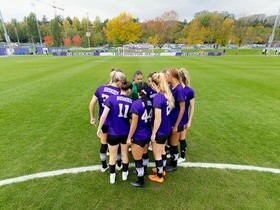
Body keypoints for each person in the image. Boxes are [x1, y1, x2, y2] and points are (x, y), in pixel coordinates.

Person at [97, 80, 133, 184]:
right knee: (125, 154)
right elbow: (132, 118)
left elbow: (103, 115)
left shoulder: (111, 98)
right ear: (128, 90)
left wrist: (99, 128)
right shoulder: (131, 102)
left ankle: (112, 176)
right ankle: (124, 174)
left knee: (112, 156)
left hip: (113, 132)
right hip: (125, 132)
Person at [89, 70, 125, 172]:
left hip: (103, 122)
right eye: (122, 81)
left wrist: (92, 117)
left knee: (103, 144)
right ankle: (118, 164)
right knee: (116, 145)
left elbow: (92, 103)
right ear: (118, 81)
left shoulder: (100, 88)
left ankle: (104, 165)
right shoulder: (119, 92)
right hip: (115, 123)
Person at [148, 73, 174, 183]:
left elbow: (158, 119)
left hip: (161, 129)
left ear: (154, 84)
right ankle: (162, 170)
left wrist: (153, 133)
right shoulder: (167, 94)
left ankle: (159, 176)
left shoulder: (158, 97)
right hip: (167, 128)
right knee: (162, 150)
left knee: (157, 154)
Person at [127, 82, 153, 187]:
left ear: (137, 91)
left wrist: (129, 137)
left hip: (138, 135)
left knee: (138, 159)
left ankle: (141, 180)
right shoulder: (150, 102)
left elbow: (134, 124)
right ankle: (144, 171)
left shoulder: (136, 103)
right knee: (145, 153)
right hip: (147, 133)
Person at [164, 68, 185, 172]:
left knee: (173, 144)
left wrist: (176, 125)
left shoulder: (179, 89)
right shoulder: (170, 87)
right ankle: (172, 160)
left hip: (177, 122)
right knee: (170, 143)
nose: (165, 77)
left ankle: (174, 164)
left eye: (167, 75)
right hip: (170, 121)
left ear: (172, 77)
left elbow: (182, 108)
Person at [177, 68, 195, 164]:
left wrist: (189, 121)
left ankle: (183, 156)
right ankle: (172, 152)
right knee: (173, 136)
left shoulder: (189, 91)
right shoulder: (175, 88)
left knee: (182, 138)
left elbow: (192, 107)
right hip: (175, 117)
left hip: (183, 119)